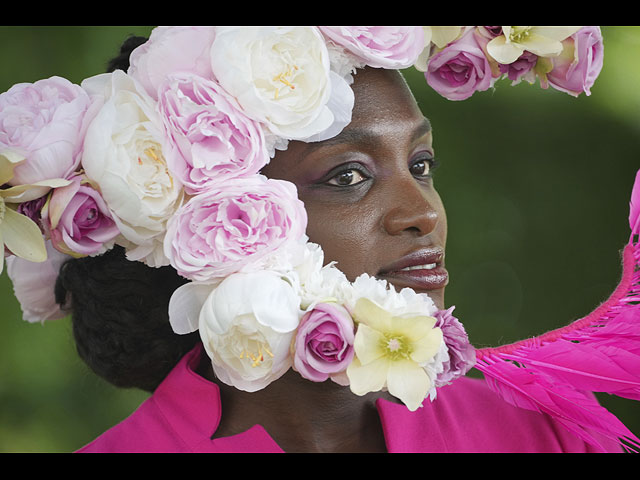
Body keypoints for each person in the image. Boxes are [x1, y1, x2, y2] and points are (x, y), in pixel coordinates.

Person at [2, 27, 637, 453]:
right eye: (350, 176)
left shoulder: (536, 434)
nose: (421, 214)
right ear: (216, 223)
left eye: (421, 165)